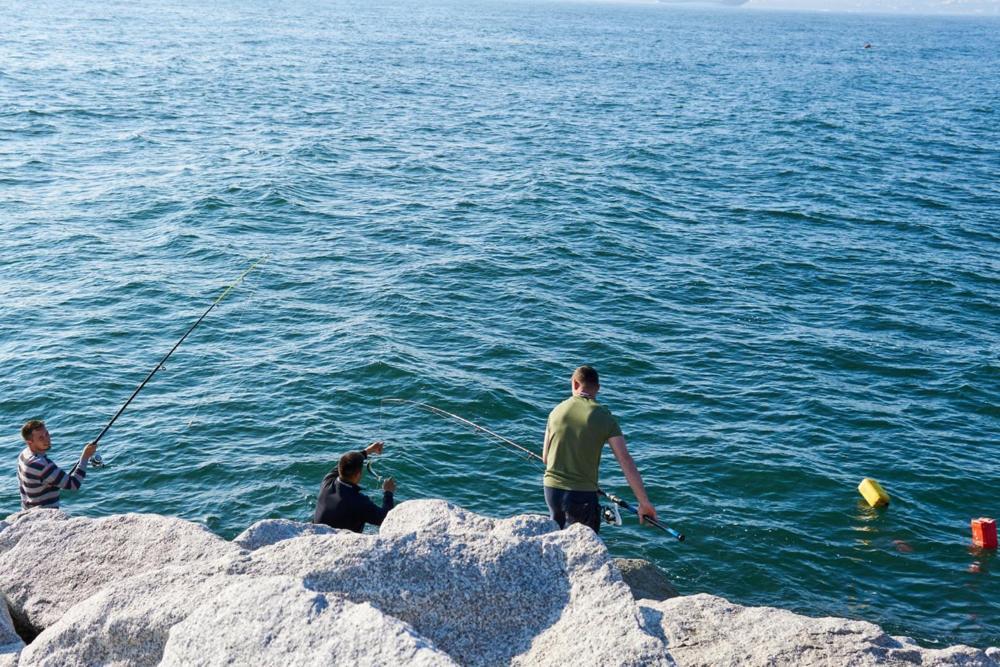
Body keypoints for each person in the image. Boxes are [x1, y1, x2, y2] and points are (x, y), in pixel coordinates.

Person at [543, 365, 657, 533]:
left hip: (551, 491)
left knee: (557, 537)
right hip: (582, 495)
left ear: (574, 383)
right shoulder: (604, 416)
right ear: (598, 388)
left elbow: (546, 458)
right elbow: (624, 460)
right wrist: (644, 503)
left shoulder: (556, 411)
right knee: (584, 545)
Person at [313, 440, 396, 533]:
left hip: (317, 533)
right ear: (357, 475)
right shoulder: (359, 502)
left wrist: (368, 450)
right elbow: (385, 519)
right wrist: (388, 492)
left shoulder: (327, 481)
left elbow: (347, 462)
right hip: (339, 542)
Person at [17, 420, 97, 510]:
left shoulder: (23, 455)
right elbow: (74, 484)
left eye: (46, 434)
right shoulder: (42, 465)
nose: (47, 439)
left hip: (28, 510)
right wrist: (85, 457)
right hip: (44, 514)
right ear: (30, 442)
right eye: (41, 438)